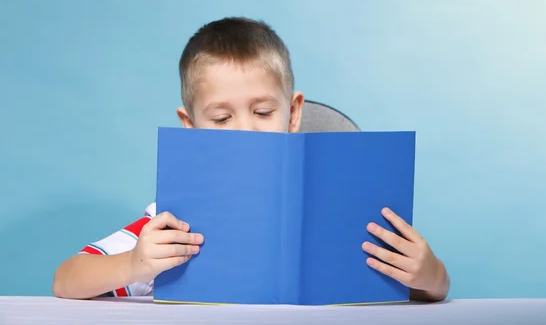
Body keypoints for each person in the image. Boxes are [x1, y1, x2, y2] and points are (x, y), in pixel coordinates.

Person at [52, 17, 450, 302]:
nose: (245, 129)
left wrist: (429, 274)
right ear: (189, 125)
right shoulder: (173, 219)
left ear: (293, 113)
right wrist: (135, 265)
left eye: (262, 113)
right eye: (222, 117)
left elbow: (425, 289)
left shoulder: (344, 212)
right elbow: (66, 280)